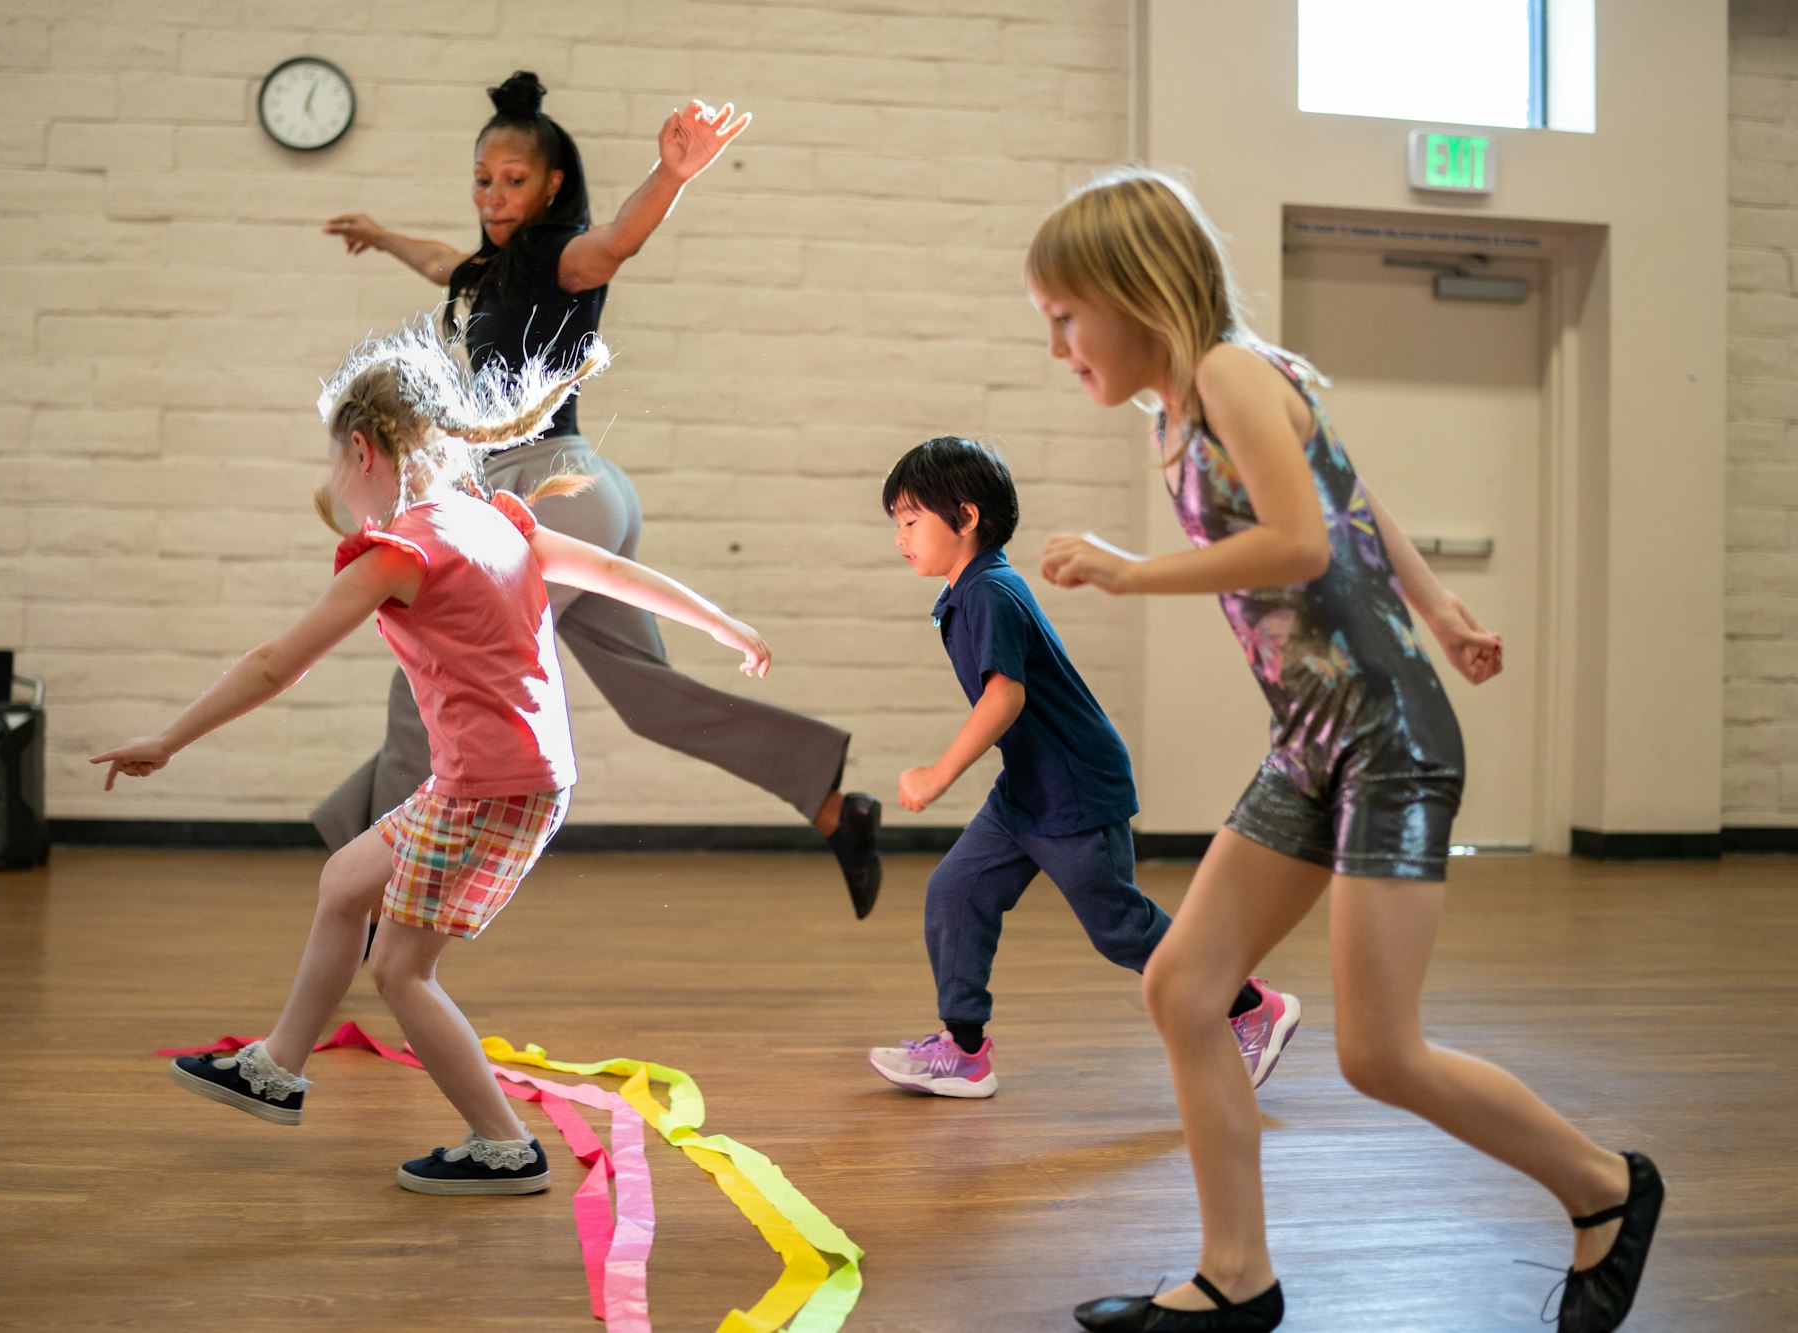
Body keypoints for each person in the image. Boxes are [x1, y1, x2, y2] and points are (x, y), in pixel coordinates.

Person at [1027, 167, 1659, 1333]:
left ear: (1130, 290)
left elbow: (1305, 540)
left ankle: (1605, 1188)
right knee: (1184, 987)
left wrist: (1128, 569)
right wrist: (1443, 608)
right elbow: (1353, 495)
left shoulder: (1227, 373)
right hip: (1310, 744)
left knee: (1377, 1049)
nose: (1058, 345)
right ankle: (1235, 1277)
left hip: (1387, 744)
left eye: (1066, 317)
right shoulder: (1180, 409)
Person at [92, 324, 774, 1196]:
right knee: (346, 881)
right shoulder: (495, 522)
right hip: (511, 779)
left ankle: (504, 1145)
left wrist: (167, 739)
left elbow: (277, 661)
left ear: (365, 449)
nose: (336, 483)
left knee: (401, 970)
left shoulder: (403, 552)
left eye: (337, 461)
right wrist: (727, 625)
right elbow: (614, 572)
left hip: (489, 788)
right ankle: (277, 1066)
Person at [321, 70, 881, 917]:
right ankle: (834, 803)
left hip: (553, 485)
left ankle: (376, 887)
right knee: (648, 695)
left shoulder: (560, 257)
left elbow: (617, 241)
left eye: (515, 181)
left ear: (550, 185)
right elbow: (444, 261)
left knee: (424, 678)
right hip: (575, 488)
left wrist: (673, 175)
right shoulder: (485, 271)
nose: (496, 195)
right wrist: (381, 234)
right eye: (483, 179)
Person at [865, 436, 1297, 1100]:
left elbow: (1005, 695)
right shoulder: (970, 592)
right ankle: (965, 1050)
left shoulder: (991, 593)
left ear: (967, 516)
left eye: (911, 519)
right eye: (897, 522)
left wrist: (938, 774)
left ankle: (1248, 1005)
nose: (901, 536)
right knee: (957, 890)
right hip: (1028, 790)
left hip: (1073, 788)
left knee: (1119, 926)